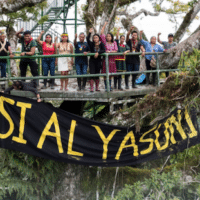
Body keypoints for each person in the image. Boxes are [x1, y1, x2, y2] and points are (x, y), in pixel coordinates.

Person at [100, 22, 118, 91]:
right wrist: (104, 25)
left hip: (112, 59)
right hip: (105, 60)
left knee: (110, 74)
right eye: (107, 36)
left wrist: (109, 52)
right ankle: (106, 87)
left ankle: (109, 86)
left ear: (111, 37)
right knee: (105, 73)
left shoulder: (114, 43)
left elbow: (116, 50)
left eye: (109, 36)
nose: (108, 37)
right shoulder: (104, 42)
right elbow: (101, 33)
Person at [87, 28, 105, 92]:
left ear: (98, 38)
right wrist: (89, 33)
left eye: (96, 37)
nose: (95, 39)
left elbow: (103, 50)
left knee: (97, 74)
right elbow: (87, 39)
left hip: (98, 61)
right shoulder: (91, 44)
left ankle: (97, 87)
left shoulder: (101, 44)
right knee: (92, 73)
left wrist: (98, 53)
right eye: (94, 38)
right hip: (92, 61)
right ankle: (91, 87)